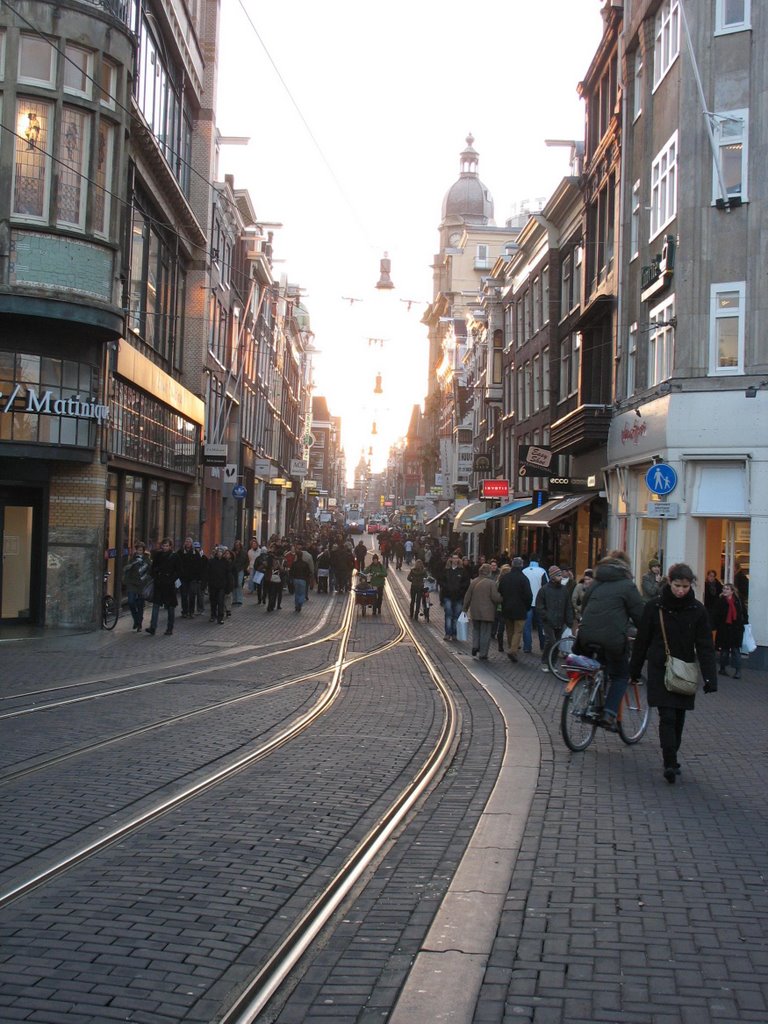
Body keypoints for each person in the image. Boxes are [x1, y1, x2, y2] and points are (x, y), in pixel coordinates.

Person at [629, 563, 717, 784]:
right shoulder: (654, 607)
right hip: (660, 668)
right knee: (667, 715)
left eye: (685, 586)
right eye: (678, 585)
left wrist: (709, 677)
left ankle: (672, 755)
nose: (681, 590)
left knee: (678, 716)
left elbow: (705, 644)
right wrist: (635, 670)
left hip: (684, 669)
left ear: (691, 585)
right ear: (669, 582)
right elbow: (642, 641)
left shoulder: (697, 610)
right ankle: (669, 761)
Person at [577, 551, 645, 730]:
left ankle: (593, 695)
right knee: (621, 675)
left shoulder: (596, 583)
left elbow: (584, 607)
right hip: (612, 638)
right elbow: (640, 614)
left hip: (586, 635)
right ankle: (609, 713)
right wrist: (645, 631)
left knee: (600, 665)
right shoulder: (627, 585)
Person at [535, 566, 575, 671]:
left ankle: (552, 663)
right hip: (548, 621)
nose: (560, 577)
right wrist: (546, 616)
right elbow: (539, 606)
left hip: (560, 620)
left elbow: (568, 606)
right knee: (551, 641)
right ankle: (545, 662)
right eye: (558, 575)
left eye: (560, 575)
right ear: (552, 577)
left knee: (557, 642)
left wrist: (569, 620)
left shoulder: (564, 590)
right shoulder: (544, 590)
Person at [462, 563, 502, 660]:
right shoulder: (491, 583)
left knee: (476, 629)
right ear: (488, 572)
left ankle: (475, 646)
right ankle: (483, 653)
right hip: (487, 612)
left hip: (475, 611)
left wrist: (464, 609)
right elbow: (495, 597)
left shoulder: (474, 582)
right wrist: (502, 598)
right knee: (485, 632)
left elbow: (467, 596)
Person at [497, 556, 532, 662]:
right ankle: (513, 650)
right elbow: (528, 595)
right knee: (518, 630)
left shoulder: (505, 578)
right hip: (520, 608)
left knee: (510, 629)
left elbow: (500, 591)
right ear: (521, 565)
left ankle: (511, 647)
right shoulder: (524, 578)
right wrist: (527, 606)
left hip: (507, 607)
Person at [146, 537, 182, 636]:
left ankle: (169, 628)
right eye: (163, 545)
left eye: (167, 546)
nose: (165, 547)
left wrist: (171, 579)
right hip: (159, 583)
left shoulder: (175, 556)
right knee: (156, 605)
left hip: (169, 585)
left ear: (170, 546)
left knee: (170, 607)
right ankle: (152, 627)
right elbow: (153, 568)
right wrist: (156, 575)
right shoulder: (158, 555)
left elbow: (179, 571)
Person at [712, 582, 746, 678]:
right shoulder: (720, 601)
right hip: (724, 629)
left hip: (736, 629)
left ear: (732, 591)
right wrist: (717, 625)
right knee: (724, 650)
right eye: (724, 589)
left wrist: (744, 624)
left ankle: (737, 671)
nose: (724, 591)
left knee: (736, 650)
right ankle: (722, 668)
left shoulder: (738, 601)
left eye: (727, 589)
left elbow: (743, 612)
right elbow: (716, 615)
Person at [439, 551, 470, 641]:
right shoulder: (446, 570)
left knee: (456, 615)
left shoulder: (462, 571)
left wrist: (460, 589)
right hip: (448, 596)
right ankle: (448, 633)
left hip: (458, 597)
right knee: (448, 615)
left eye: (457, 558)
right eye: (454, 558)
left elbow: (466, 582)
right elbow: (441, 580)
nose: (455, 560)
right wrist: (446, 587)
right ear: (451, 559)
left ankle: (454, 634)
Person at [122, 540, 151, 632]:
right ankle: (135, 619)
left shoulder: (147, 559)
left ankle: (139, 623)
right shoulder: (132, 559)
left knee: (140, 604)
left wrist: (148, 580)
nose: (139, 552)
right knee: (131, 602)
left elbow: (151, 570)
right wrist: (130, 566)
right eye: (138, 550)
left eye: (141, 550)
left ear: (143, 550)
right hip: (132, 583)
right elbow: (126, 568)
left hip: (142, 584)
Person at [522, 554, 548, 654]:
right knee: (541, 625)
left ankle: (527, 647)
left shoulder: (524, 571)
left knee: (526, 626)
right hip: (539, 603)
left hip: (527, 603)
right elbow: (546, 586)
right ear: (538, 560)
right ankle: (543, 645)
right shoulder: (542, 571)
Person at [206, 546, 232, 624]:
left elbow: (228, 575)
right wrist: (206, 583)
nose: (219, 553)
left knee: (220, 602)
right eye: (218, 552)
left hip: (222, 585)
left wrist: (228, 587)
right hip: (213, 585)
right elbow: (207, 573)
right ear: (216, 553)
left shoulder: (226, 562)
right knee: (213, 601)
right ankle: (213, 615)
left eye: (221, 552)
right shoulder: (211, 561)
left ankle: (220, 617)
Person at [290, 545, 312, 611]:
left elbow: (291, 571)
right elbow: (308, 572)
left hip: (296, 579)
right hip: (303, 580)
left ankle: (297, 605)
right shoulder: (305, 564)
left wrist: (292, 578)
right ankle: (300, 603)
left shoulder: (294, 563)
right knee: (302, 593)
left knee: (296, 593)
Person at [231, 540, 248, 605]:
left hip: (240, 569)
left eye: (238, 545)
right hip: (233, 570)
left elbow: (247, 561)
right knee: (234, 584)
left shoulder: (243, 553)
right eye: (236, 545)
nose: (237, 546)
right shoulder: (232, 552)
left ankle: (239, 599)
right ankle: (234, 599)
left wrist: (244, 568)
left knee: (239, 584)